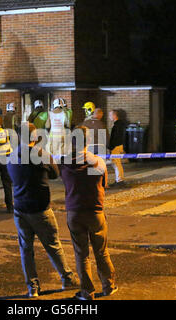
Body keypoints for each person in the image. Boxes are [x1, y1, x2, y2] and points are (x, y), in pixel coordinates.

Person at [7, 122, 79, 298]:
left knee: (26, 249)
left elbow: (13, 177)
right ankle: (67, 278)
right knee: (53, 245)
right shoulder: (41, 154)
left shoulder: (10, 157)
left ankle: (33, 287)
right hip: (40, 210)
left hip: (20, 209)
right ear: (34, 136)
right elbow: (55, 174)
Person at [59, 126, 117, 301]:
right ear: (88, 141)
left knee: (81, 254)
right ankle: (108, 286)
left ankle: (87, 292)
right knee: (101, 251)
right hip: (95, 211)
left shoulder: (64, 161)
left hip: (74, 212)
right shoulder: (98, 161)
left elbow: (65, 180)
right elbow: (104, 183)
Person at [108, 110, 127, 187]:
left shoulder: (116, 126)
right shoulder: (120, 124)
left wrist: (111, 147)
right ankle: (119, 179)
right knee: (117, 163)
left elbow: (115, 138)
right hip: (119, 145)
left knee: (116, 163)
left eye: (110, 115)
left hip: (116, 146)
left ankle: (119, 180)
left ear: (114, 115)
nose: (109, 117)